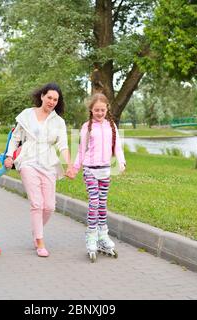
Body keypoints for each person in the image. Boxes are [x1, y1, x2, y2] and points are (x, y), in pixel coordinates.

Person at [4, 83, 73, 257]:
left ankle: (36, 230)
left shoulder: (58, 121)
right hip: (28, 160)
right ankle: (40, 241)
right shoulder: (27, 114)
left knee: (49, 206)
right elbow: (15, 137)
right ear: (42, 96)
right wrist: (9, 156)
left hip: (48, 163)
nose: (51, 102)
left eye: (55, 99)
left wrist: (69, 164)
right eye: (49, 97)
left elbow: (63, 145)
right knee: (37, 203)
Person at [69, 93, 126, 262]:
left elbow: (118, 147)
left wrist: (121, 162)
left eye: (102, 110)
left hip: (105, 170)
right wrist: (75, 168)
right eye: (96, 110)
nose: (100, 113)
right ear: (91, 110)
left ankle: (103, 235)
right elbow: (80, 150)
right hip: (90, 170)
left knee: (102, 204)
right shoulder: (87, 127)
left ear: (107, 109)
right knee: (94, 202)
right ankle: (91, 235)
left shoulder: (112, 126)